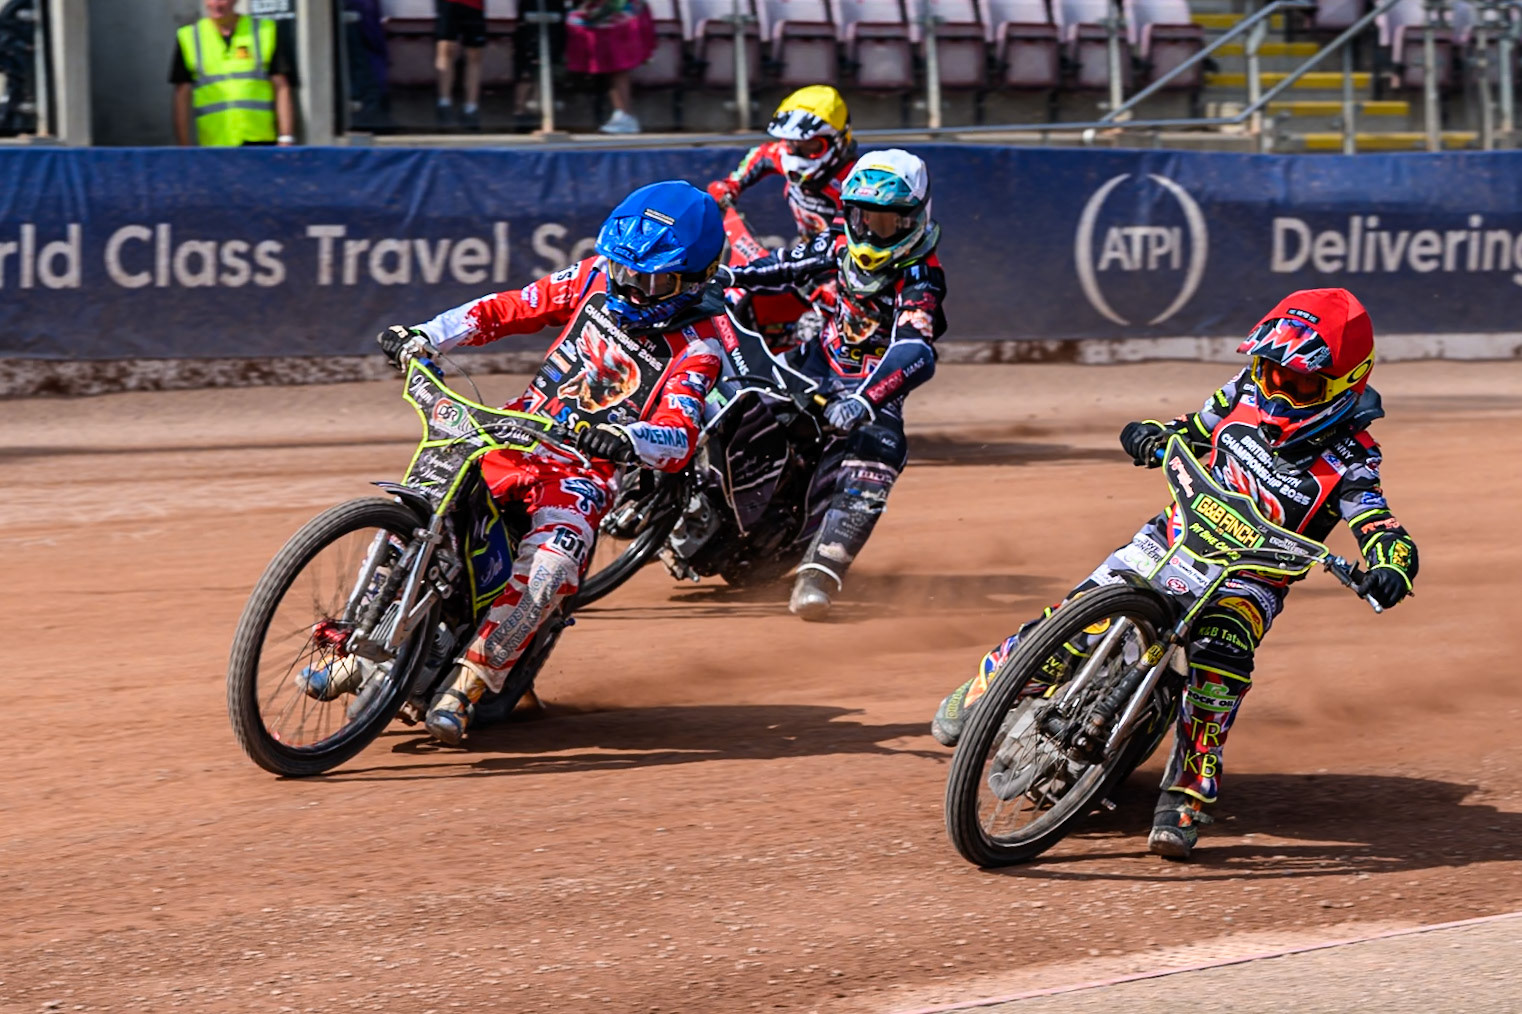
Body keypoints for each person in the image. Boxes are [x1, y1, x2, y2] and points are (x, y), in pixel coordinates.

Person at [930, 288, 1420, 860]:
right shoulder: (1242, 391)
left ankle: (1190, 785)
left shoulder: (1353, 460)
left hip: (1248, 580)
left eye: (1299, 382)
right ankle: (991, 681)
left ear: (1345, 384)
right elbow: (1189, 428)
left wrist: (1390, 565)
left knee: (1221, 659)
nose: (1275, 389)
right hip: (1171, 538)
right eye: (1268, 370)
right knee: (1076, 612)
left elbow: (1378, 523)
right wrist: (1152, 435)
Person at [308, 181, 728, 746]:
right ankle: (358, 648)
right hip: (512, 430)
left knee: (553, 566)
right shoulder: (594, 276)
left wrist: (626, 438)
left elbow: (678, 435)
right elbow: (510, 308)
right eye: (623, 268)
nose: (628, 285)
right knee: (424, 509)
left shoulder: (700, 345)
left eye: (649, 279)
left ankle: (471, 681)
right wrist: (428, 335)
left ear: (694, 278)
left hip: (582, 468)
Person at [724, 149, 946, 621]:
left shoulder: (921, 277)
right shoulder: (835, 244)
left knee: (879, 452)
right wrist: (721, 277)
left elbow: (916, 349)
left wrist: (865, 400)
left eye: (890, 223)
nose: (873, 232)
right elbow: (779, 266)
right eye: (866, 219)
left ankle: (819, 572)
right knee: (732, 389)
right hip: (811, 361)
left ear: (917, 218)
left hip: (867, 391)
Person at [706, 85, 858, 244]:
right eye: (792, 142)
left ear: (839, 141)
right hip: (806, 249)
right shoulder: (782, 154)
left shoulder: (852, 180)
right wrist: (730, 186)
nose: (797, 153)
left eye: (810, 144)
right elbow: (762, 154)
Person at [170, 0, 296, 147]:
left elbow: (281, 86)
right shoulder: (189, 37)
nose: (216, 4)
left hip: (260, 140)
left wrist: (286, 137)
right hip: (215, 144)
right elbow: (181, 95)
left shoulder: (264, 30)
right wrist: (184, 147)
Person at [565, 0, 656, 134]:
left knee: (617, 63)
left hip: (617, 12)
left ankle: (625, 115)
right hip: (596, 13)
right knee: (611, 65)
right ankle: (622, 114)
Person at [435, 0, 486, 129]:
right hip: (448, 4)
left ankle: (471, 108)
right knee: (445, 48)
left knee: (474, 54)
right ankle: (444, 105)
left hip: (474, 5)